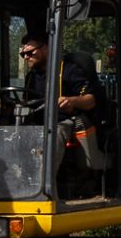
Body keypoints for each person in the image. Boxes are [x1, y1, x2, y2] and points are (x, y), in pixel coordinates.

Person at [20, 32, 108, 192]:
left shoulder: (68, 70)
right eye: (23, 54)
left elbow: (91, 100)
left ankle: (41, 189)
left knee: (54, 132)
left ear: (45, 49)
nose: (26, 57)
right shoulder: (31, 77)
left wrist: (72, 101)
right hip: (37, 122)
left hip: (64, 121)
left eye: (30, 52)